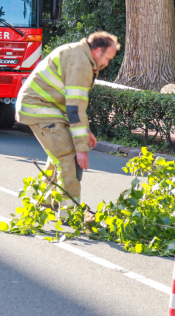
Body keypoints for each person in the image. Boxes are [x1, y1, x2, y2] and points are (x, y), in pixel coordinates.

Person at [15, 31, 120, 218]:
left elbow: (74, 103)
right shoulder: (81, 64)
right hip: (40, 107)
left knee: (58, 155)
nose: (107, 64)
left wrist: (85, 131)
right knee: (68, 156)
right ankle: (69, 213)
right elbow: (74, 108)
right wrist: (81, 149)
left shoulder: (78, 53)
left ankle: (45, 201)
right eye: (108, 58)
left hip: (39, 105)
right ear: (97, 50)